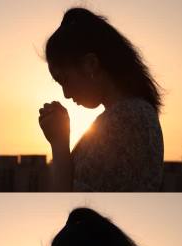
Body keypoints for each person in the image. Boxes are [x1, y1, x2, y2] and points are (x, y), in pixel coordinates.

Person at [38, 8, 164, 191]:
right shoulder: (132, 114)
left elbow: (68, 198)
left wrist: (59, 142)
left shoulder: (126, 121)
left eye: (64, 80)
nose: (65, 94)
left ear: (90, 65)